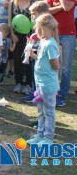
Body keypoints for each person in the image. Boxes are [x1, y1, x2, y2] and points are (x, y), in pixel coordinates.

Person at [26, 14, 60, 146]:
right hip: (40, 84)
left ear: (44, 28)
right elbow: (41, 60)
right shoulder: (44, 42)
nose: (35, 30)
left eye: (37, 27)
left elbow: (55, 65)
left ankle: (48, 138)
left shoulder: (51, 44)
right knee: (41, 111)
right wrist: (31, 54)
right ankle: (40, 134)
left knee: (49, 112)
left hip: (48, 86)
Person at [46, 0, 77, 107]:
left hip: (68, 33)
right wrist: (59, 5)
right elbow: (47, 11)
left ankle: (62, 95)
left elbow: (68, 7)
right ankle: (53, 91)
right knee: (53, 64)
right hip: (52, 32)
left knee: (65, 66)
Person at [8, 0, 35, 95]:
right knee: (17, 59)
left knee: (28, 59)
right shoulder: (12, 2)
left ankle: (28, 84)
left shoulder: (33, 2)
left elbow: (36, 19)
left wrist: (34, 36)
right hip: (16, 35)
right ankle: (18, 82)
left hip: (30, 35)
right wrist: (12, 34)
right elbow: (10, 20)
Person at [21, 1, 49, 105]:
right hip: (34, 55)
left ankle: (39, 94)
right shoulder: (34, 26)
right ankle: (34, 93)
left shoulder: (47, 28)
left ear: (41, 14)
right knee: (34, 75)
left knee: (40, 77)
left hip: (42, 57)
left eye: (34, 14)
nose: (31, 16)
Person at [0, 23, 15, 89]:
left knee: (1, 72)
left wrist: (15, 43)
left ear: (6, 33)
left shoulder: (8, 40)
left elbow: (11, 49)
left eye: (0, 31)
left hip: (4, 60)